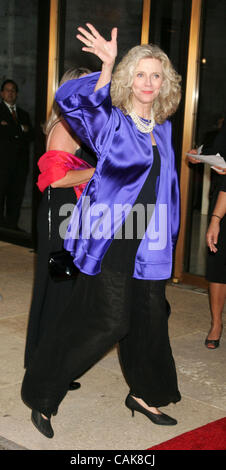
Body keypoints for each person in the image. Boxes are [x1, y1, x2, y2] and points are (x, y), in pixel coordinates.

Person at [21, 24, 182, 438]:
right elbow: (73, 102)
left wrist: (168, 235)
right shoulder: (112, 121)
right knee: (110, 319)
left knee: (150, 317)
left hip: (151, 237)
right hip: (114, 234)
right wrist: (107, 65)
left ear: (165, 83)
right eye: (140, 73)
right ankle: (41, 390)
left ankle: (145, 393)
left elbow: (164, 189)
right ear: (130, 79)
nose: (148, 82)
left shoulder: (163, 128)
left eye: (156, 75)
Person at [24, 67, 97, 401]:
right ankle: (47, 369)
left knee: (61, 291)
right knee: (58, 289)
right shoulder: (65, 125)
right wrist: (97, 172)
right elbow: (54, 181)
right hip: (59, 218)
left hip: (69, 214)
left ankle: (47, 362)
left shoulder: (77, 122)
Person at [187, 122, 226, 349]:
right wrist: (199, 155)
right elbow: (216, 150)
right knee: (218, 262)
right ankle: (216, 323)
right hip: (221, 197)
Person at [0, 79, 34, 229]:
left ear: (17, 94)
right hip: (2, 165)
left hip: (20, 166)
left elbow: (31, 135)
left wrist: (11, 129)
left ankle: (12, 227)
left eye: (13, 90)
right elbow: (6, 134)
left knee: (16, 199)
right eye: (7, 90)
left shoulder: (24, 114)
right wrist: (20, 129)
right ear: (2, 93)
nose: (10, 93)